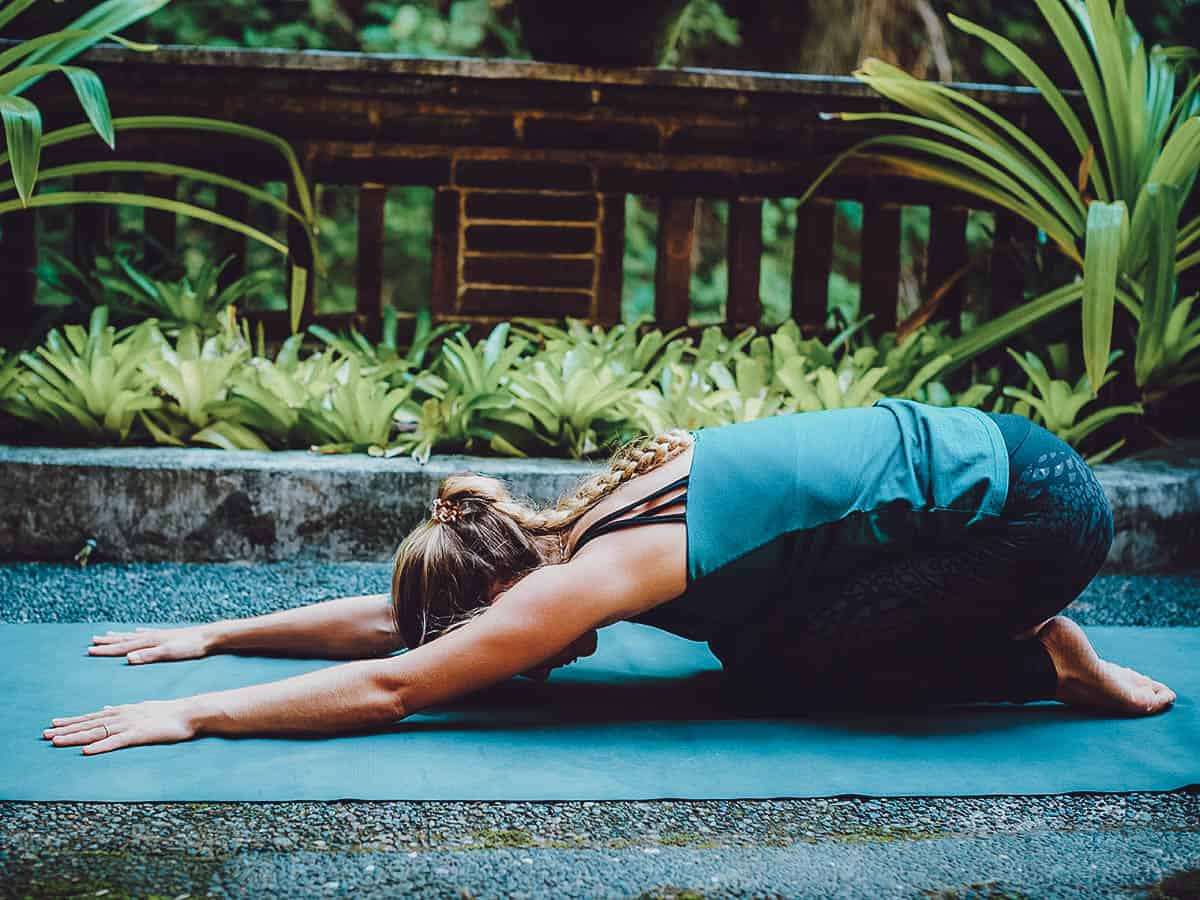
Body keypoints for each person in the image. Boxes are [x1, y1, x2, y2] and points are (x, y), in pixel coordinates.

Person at [43, 399, 1175, 756]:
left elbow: (400, 681)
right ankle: (1014, 623)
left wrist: (195, 717)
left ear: (500, 601)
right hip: (1016, 456)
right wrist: (218, 635)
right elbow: (400, 631)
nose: (483, 661)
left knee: (794, 668)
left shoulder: (592, 574)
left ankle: (1042, 648)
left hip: (1042, 519)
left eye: (475, 639)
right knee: (756, 647)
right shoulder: (567, 523)